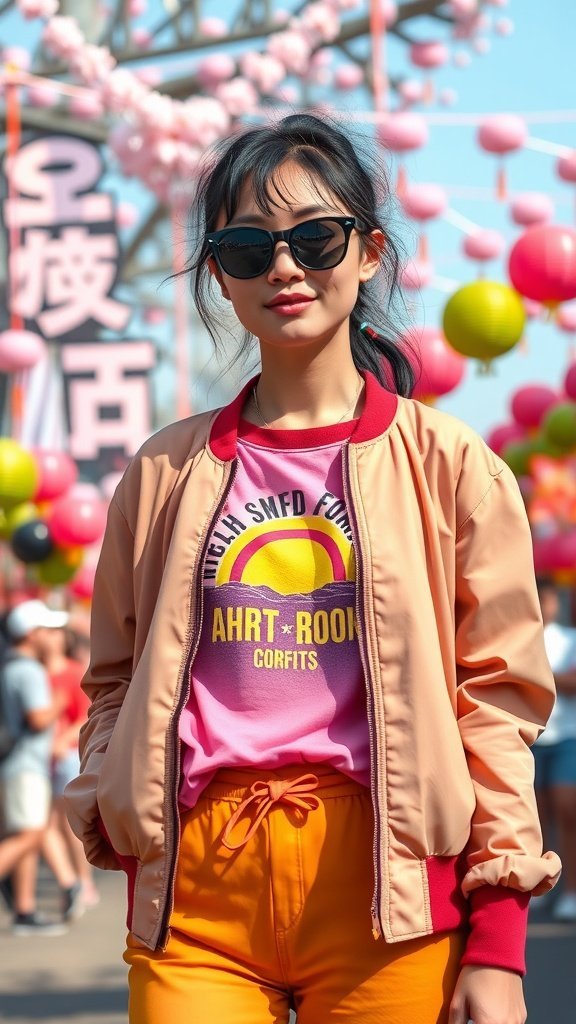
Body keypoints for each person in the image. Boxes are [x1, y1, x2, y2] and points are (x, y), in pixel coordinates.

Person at [65, 114, 561, 1024]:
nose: (284, 267)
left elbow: (495, 703)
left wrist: (498, 943)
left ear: (369, 252)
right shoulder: (165, 469)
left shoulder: (452, 466)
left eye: (316, 238)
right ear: (220, 273)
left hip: (391, 895)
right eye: (248, 248)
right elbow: (113, 680)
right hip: (197, 900)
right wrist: (123, 815)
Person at [0, 599, 68, 935]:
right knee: (31, 836)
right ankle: (24, 910)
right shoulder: (28, 670)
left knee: (24, 834)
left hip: (19, 765)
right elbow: (38, 718)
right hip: (26, 766)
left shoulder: (12, 666)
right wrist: (58, 703)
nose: (52, 636)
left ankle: (24, 911)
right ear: (30, 634)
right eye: (45, 629)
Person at [38, 625, 99, 918]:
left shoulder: (73, 672)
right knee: (45, 827)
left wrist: (62, 740)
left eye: (54, 631)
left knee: (66, 824)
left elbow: (86, 715)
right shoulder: (36, 672)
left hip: (66, 757)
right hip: (42, 760)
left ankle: (82, 883)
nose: (49, 636)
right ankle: (73, 882)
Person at [533, 578, 576, 921]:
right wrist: (556, 677)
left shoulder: (570, 639)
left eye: (547, 599)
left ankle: (571, 890)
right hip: (530, 739)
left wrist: (538, 676)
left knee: (567, 812)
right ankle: (542, 885)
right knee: (536, 818)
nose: (544, 606)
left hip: (566, 737)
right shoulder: (521, 638)